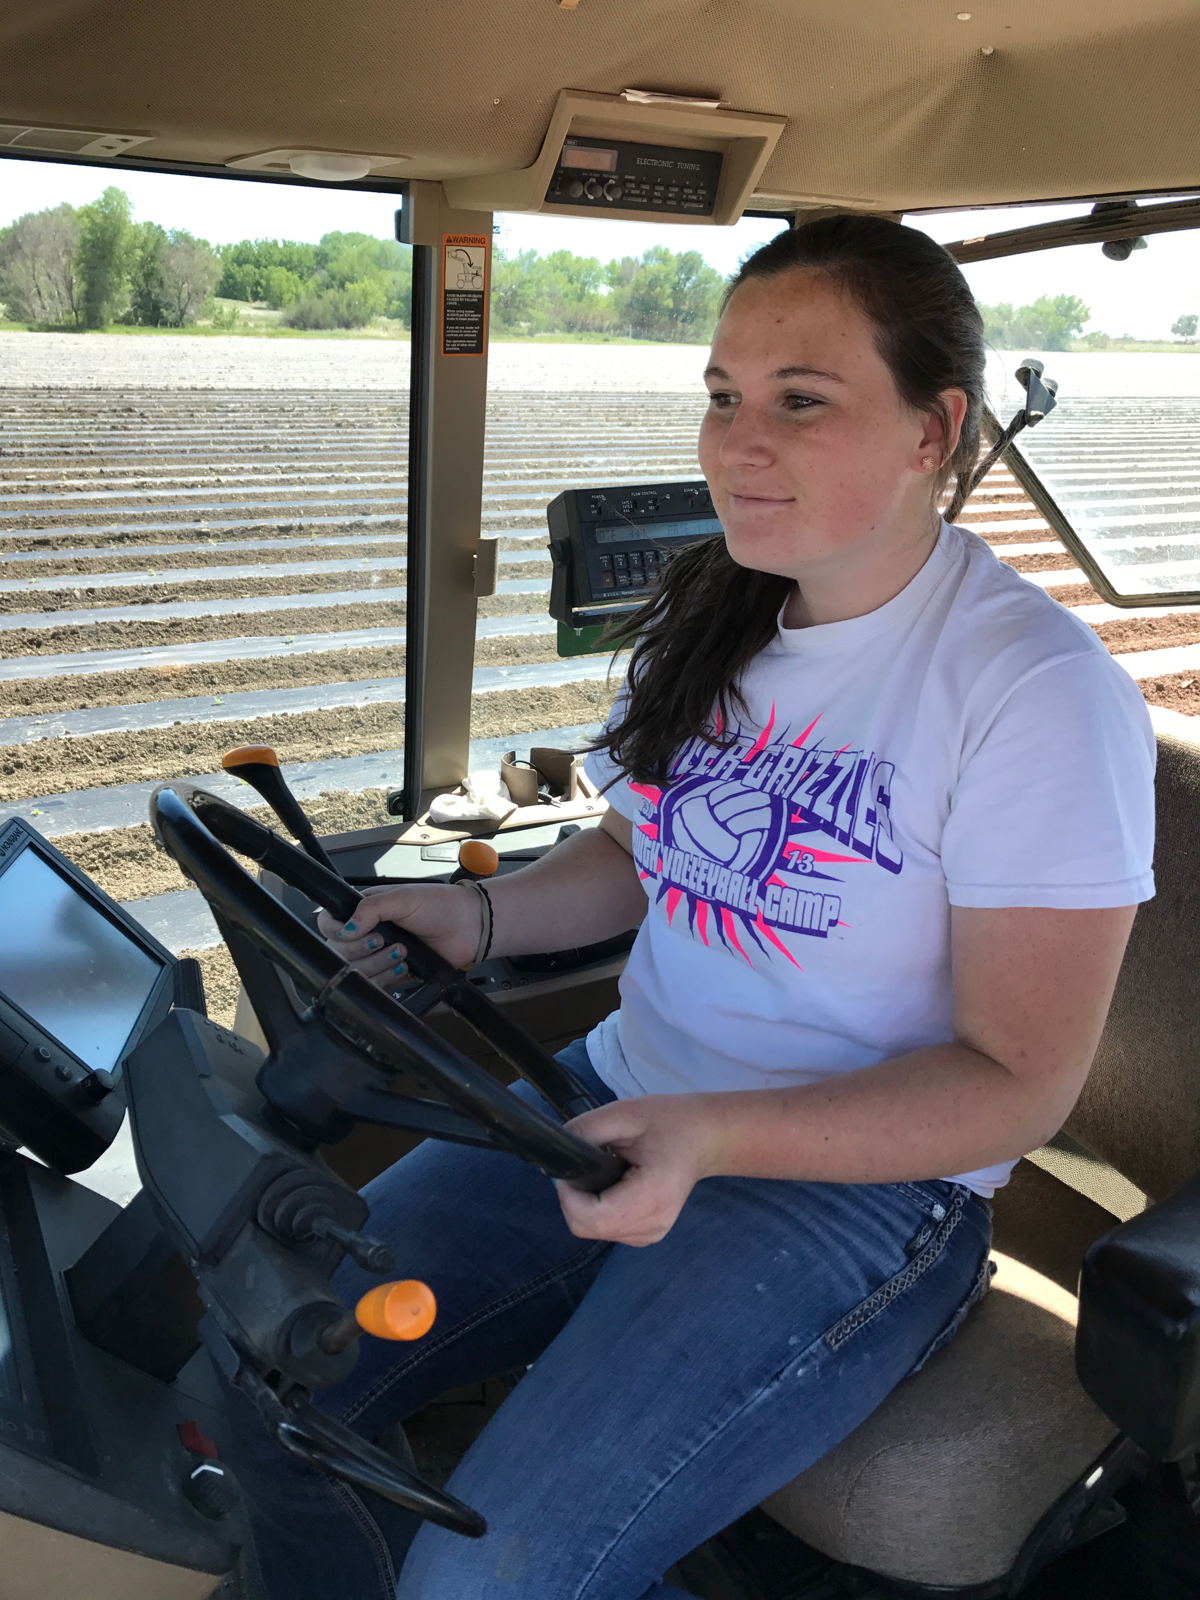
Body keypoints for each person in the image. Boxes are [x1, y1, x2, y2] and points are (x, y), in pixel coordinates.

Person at [233, 213, 1156, 1600]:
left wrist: (714, 1131)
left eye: (802, 402)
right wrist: (475, 924)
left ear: (931, 429)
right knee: (259, 1367)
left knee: (485, 1580)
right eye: (723, 396)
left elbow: (1019, 1086)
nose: (738, 440)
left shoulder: (1031, 692)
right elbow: (632, 853)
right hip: (609, 1098)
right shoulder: (725, 609)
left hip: (856, 1204)